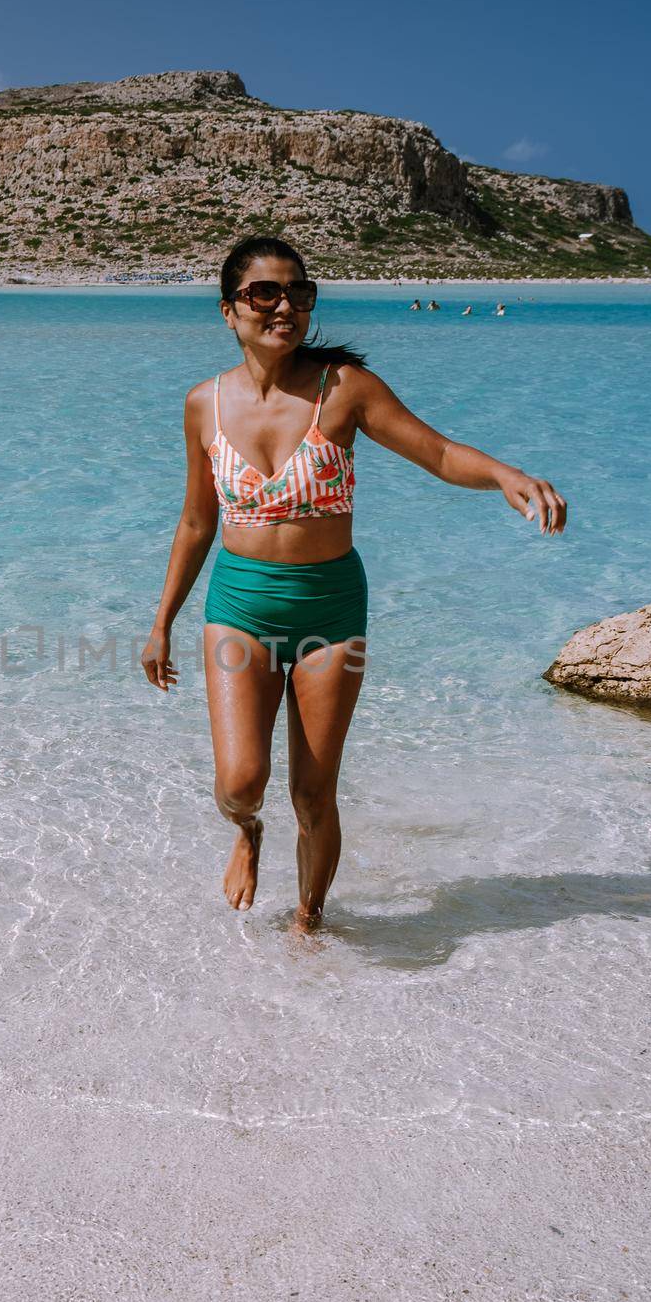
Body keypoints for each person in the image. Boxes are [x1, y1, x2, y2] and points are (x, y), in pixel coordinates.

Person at [140, 235, 568, 934]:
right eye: (265, 294)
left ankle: (308, 923)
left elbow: (435, 451)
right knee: (239, 783)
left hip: (330, 608)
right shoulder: (203, 404)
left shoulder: (346, 390)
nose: (285, 307)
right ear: (228, 310)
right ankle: (247, 832)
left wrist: (502, 475)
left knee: (313, 793)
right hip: (239, 603)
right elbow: (194, 524)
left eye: (299, 293)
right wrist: (161, 622)